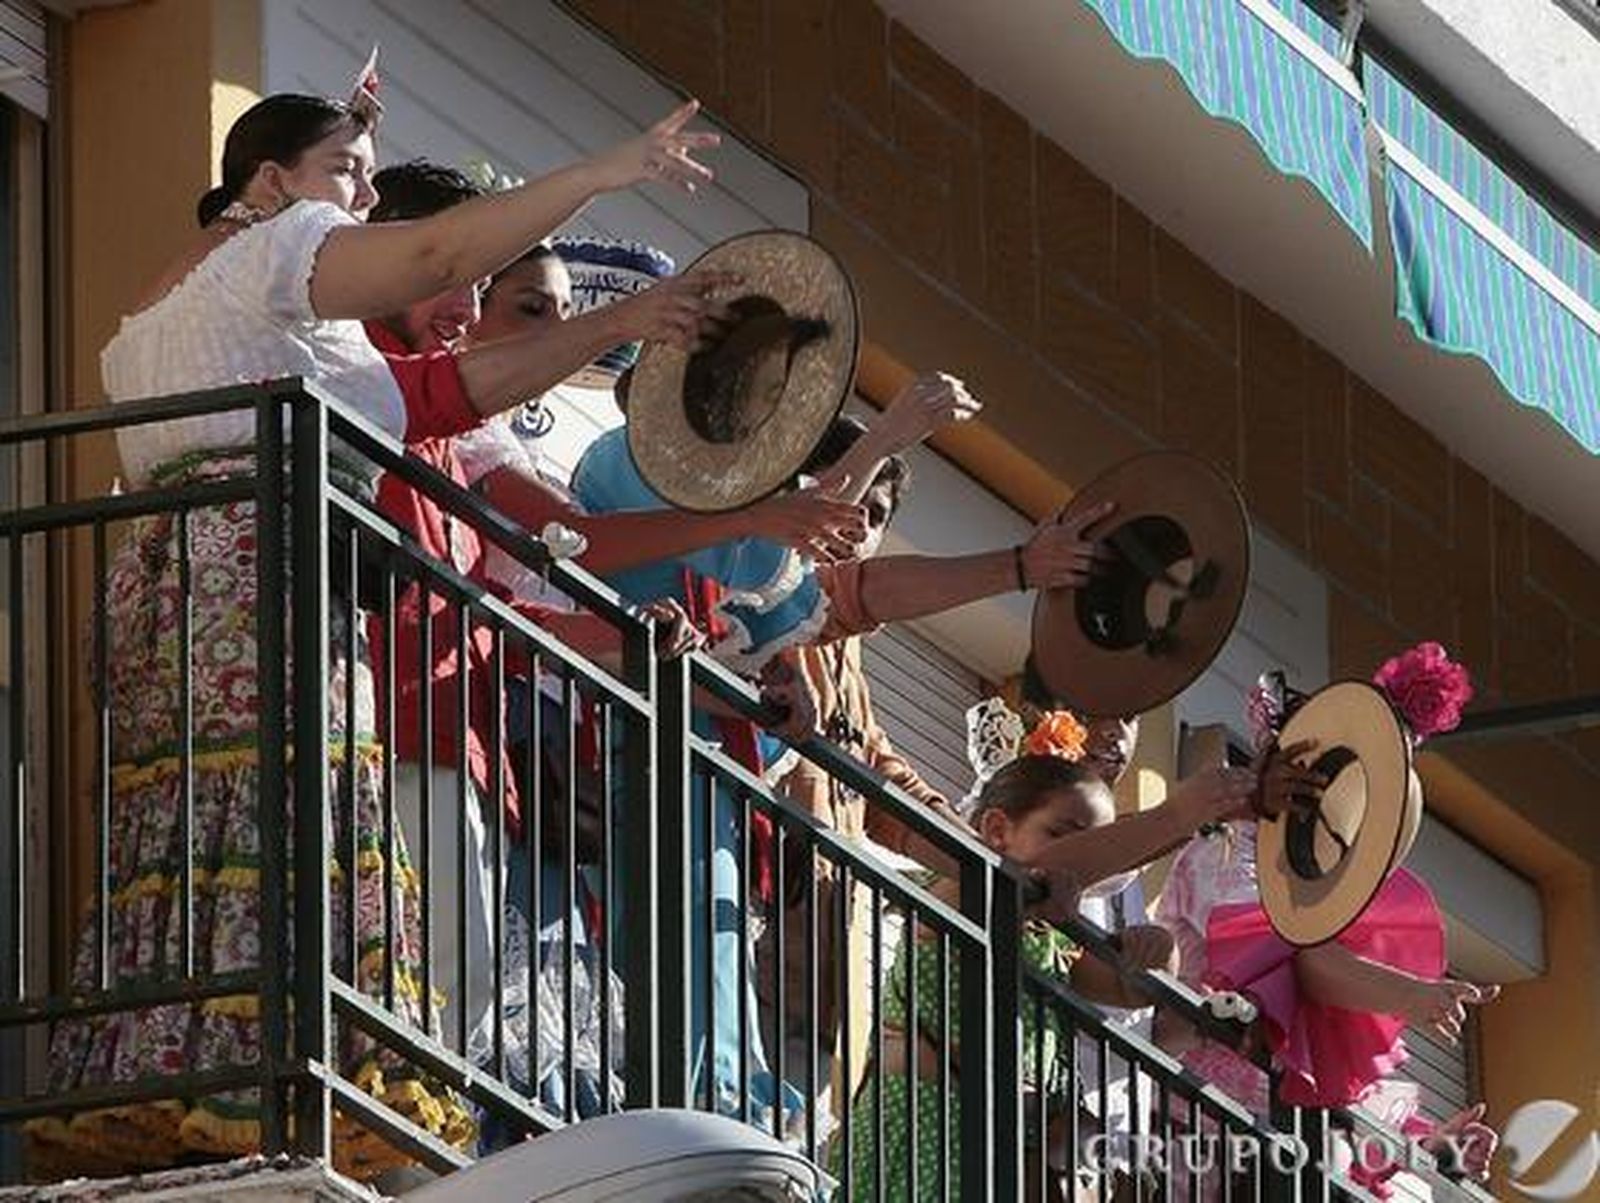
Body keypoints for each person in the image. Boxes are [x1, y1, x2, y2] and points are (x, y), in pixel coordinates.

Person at [35, 89, 720, 1179]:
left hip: (170, 591)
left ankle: (194, 1079)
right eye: (348, 169)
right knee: (283, 828)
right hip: (256, 582)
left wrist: (619, 323)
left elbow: (449, 391)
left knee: (209, 837)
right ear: (269, 184)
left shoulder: (184, 316)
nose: (364, 195)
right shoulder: (277, 255)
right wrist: (607, 170)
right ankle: (259, 1086)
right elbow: (438, 252)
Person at [1152, 646, 1499, 1197]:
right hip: (1215, 1143)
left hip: (1286, 1153)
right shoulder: (1222, 853)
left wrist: (1430, 1146)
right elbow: (1287, 963)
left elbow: (1335, 1086)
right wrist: (1409, 994)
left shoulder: (1329, 896)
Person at [841, 724, 1178, 1203]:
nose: (1083, 863)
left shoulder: (1048, 946)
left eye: (1096, 852)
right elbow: (983, 894)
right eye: (1063, 835)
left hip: (1004, 1155)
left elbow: (1134, 990)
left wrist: (1161, 946)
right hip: (927, 1137)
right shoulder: (956, 891)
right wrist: (1182, 815)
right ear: (997, 830)